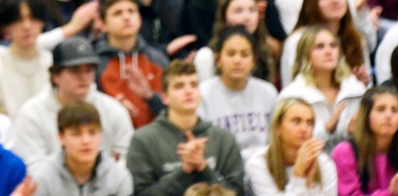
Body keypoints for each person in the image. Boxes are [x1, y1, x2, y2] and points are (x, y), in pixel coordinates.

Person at [126, 60, 245, 196]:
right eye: (179, 86)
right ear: (165, 97)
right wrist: (183, 171)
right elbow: (140, 194)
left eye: (194, 85)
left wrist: (203, 167)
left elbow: (236, 191)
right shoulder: (143, 140)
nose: (188, 91)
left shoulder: (224, 139)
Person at [15, 37, 134, 168]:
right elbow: (34, 169)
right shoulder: (31, 114)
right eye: (74, 71)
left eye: (89, 70)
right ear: (55, 76)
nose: (83, 77)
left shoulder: (113, 110)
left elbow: (127, 158)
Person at [197, 25, 279, 161]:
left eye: (244, 55)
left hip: (263, 165)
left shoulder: (268, 92)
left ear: (253, 61)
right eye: (231, 54)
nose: (237, 60)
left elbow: (276, 141)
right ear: (218, 60)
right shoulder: (203, 94)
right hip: (222, 169)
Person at [330, 86, 398, 196]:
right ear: (366, 115)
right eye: (381, 109)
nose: (388, 116)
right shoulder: (345, 152)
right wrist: (389, 193)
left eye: (395, 110)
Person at [278, 26, 367, 149]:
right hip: (311, 163)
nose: (328, 52)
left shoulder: (356, 90)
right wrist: (326, 129)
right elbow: (288, 141)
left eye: (333, 46)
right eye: (320, 47)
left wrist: (352, 130)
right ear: (305, 55)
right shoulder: (292, 95)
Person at [94, 0, 169, 129]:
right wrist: (114, 111)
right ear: (103, 24)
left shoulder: (157, 60)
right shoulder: (96, 64)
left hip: (156, 138)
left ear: (140, 19)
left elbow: (174, 110)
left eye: (131, 11)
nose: (126, 17)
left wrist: (150, 97)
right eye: (118, 13)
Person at [30, 101, 134, 195]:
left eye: (92, 133)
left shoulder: (118, 177)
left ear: (101, 134)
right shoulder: (41, 177)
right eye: (76, 134)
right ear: (61, 137)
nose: (86, 141)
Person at [244, 97, 339, 196]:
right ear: (278, 127)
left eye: (309, 123)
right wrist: (298, 177)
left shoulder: (324, 163)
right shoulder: (258, 164)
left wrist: (309, 185)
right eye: (296, 122)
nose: (304, 129)